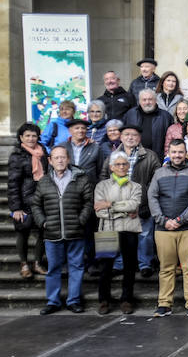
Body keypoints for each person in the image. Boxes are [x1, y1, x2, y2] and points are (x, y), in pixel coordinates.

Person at [32, 146, 93, 314]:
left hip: (75, 231)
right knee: (53, 269)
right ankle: (53, 302)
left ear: (68, 159)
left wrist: (81, 220)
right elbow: (36, 204)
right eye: (56, 158)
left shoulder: (80, 178)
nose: (60, 160)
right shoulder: (44, 180)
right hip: (52, 233)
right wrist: (42, 222)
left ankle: (73, 301)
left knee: (76, 267)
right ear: (50, 161)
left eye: (63, 157)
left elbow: (88, 202)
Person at [148, 139, 188, 317]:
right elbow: (152, 197)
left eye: (180, 152)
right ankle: (164, 303)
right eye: (173, 152)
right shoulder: (159, 173)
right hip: (163, 228)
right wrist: (163, 220)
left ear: (186, 153)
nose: (177, 155)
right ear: (168, 153)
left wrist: (181, 219)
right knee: (166, 267)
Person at [102, 124, 161, 278]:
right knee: (118, 234)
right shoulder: (112, 156)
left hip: (140, 204)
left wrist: (146, 202)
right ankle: (119, 264)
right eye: (127, 134)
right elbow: (104, 176)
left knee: (144, 236)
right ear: (121, 137)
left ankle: (145, 264)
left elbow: (156, 181)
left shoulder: (150, 156)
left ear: (139, 138)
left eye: (134, 135)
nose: (130, 137)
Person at [93, 152, 142, 314]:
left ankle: (127, 299)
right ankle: (103, 300)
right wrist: (124, 210)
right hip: (107, 229)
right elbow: (100, 212)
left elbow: (134, 205)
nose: (122, 167)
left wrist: (110, 204)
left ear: (129, 166)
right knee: (105, 268)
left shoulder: (136, 186)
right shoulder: (102, 186)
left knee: (129, 267)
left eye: (124, 164)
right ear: (111, 167)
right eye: (118, 164)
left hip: (130, 230)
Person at [7, 122, 48, 279]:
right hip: (24, 201)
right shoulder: (17, 155)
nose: (31, 138)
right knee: (23, 232)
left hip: (41, 198)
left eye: (34, 135)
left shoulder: (43, 152)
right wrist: (16, 207)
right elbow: (13, 183)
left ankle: (38, 263)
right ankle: (24, 263)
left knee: (43, 232)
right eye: (27, 136)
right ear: (21, 138)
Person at [124, 88, 174, 159]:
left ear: (155, 100)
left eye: (150, 99)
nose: (147, 102)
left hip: (157, 158)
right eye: (144, 100)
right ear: (139, 101)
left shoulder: (166, 117)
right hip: (134, 157)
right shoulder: (130, 114)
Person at [62, 118, 104, 183]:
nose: (80, 130)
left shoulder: (95, 148)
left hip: (89, 186)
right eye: (77, 128)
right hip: (66, 185)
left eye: (83, 128)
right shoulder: (62, 147)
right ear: (70, 131)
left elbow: (101, 170)